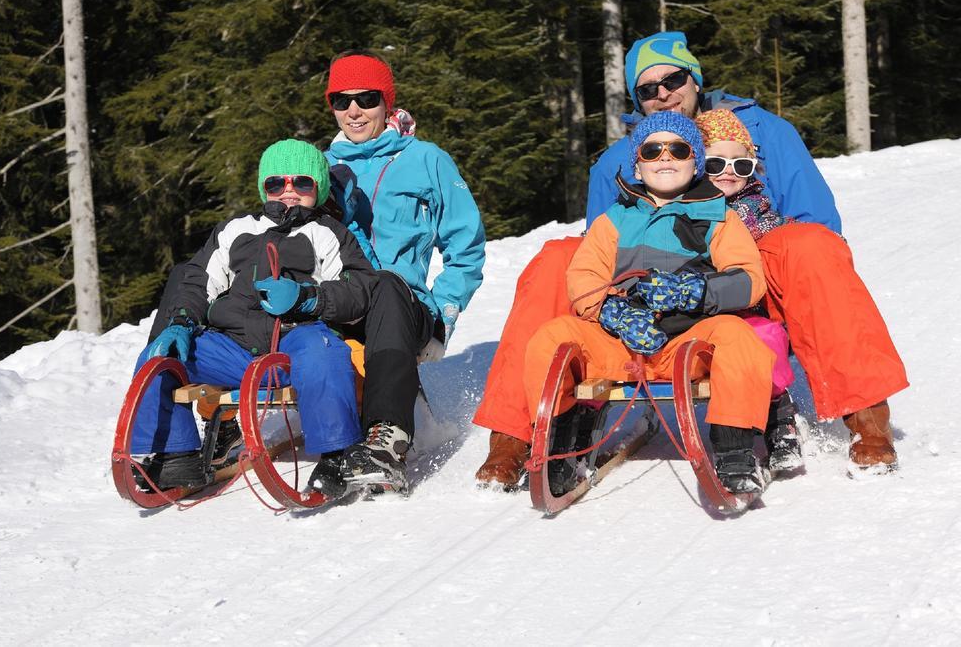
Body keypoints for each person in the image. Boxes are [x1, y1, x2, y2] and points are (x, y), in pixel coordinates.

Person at [474, 30, 905, 486]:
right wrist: (615, 303)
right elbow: (599, 252)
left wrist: (733, 271)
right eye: (647, 89)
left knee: (812, 244)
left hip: (754, 274)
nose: (663, 93)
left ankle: (867, 419)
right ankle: (515, 433)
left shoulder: (765, 133)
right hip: (655, 294)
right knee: (558, 258)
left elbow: (817, 221)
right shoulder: (618, 161)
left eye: (673, 78)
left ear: (695, 78)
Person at [523, 111, 774, 494]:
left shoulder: (718, 217)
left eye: (678, 149)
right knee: (551, 337)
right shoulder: (615, 220)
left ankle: (734, 448)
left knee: (739, 338)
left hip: (688, 342)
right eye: (653, 150)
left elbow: (749, 278)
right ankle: (560, 441)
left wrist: (693, 291)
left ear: (696, 162)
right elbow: (584, 276)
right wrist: (613, 312)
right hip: (622, 344)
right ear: (638, 166)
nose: (665, 158)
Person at [130, 139, 376, 495]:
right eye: (277, 183)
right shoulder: (236, 230)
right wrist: (182, 321)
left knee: (325, 353)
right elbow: (199, 280)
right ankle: (175, 454)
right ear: (264, 187)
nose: (288, 192)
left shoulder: (327, 233)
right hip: (234, 348)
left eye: (302, 183)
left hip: (295, 342)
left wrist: (308, 298)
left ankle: (336, 452)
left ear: (318, 188)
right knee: (160, 358)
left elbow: (359, 288)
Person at [695, 108, 906, 470]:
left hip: (757, 292)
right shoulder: (674, 199)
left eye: (740, 165)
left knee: (810, 251)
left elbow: (786, 225)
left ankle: (868, 419)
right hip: (699, 303)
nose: (729, 172)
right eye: (716, 163)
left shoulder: (755, 202)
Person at [322, 51, 487, 491]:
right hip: (341, 302)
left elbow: (465, 245)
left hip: (404, 306)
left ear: (387, 101)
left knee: (389, 287)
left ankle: (387, 436)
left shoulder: (426, 159)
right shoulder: (319, 169)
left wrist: (443, 317)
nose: (354, 111)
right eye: (342, 101)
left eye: (366, 98)